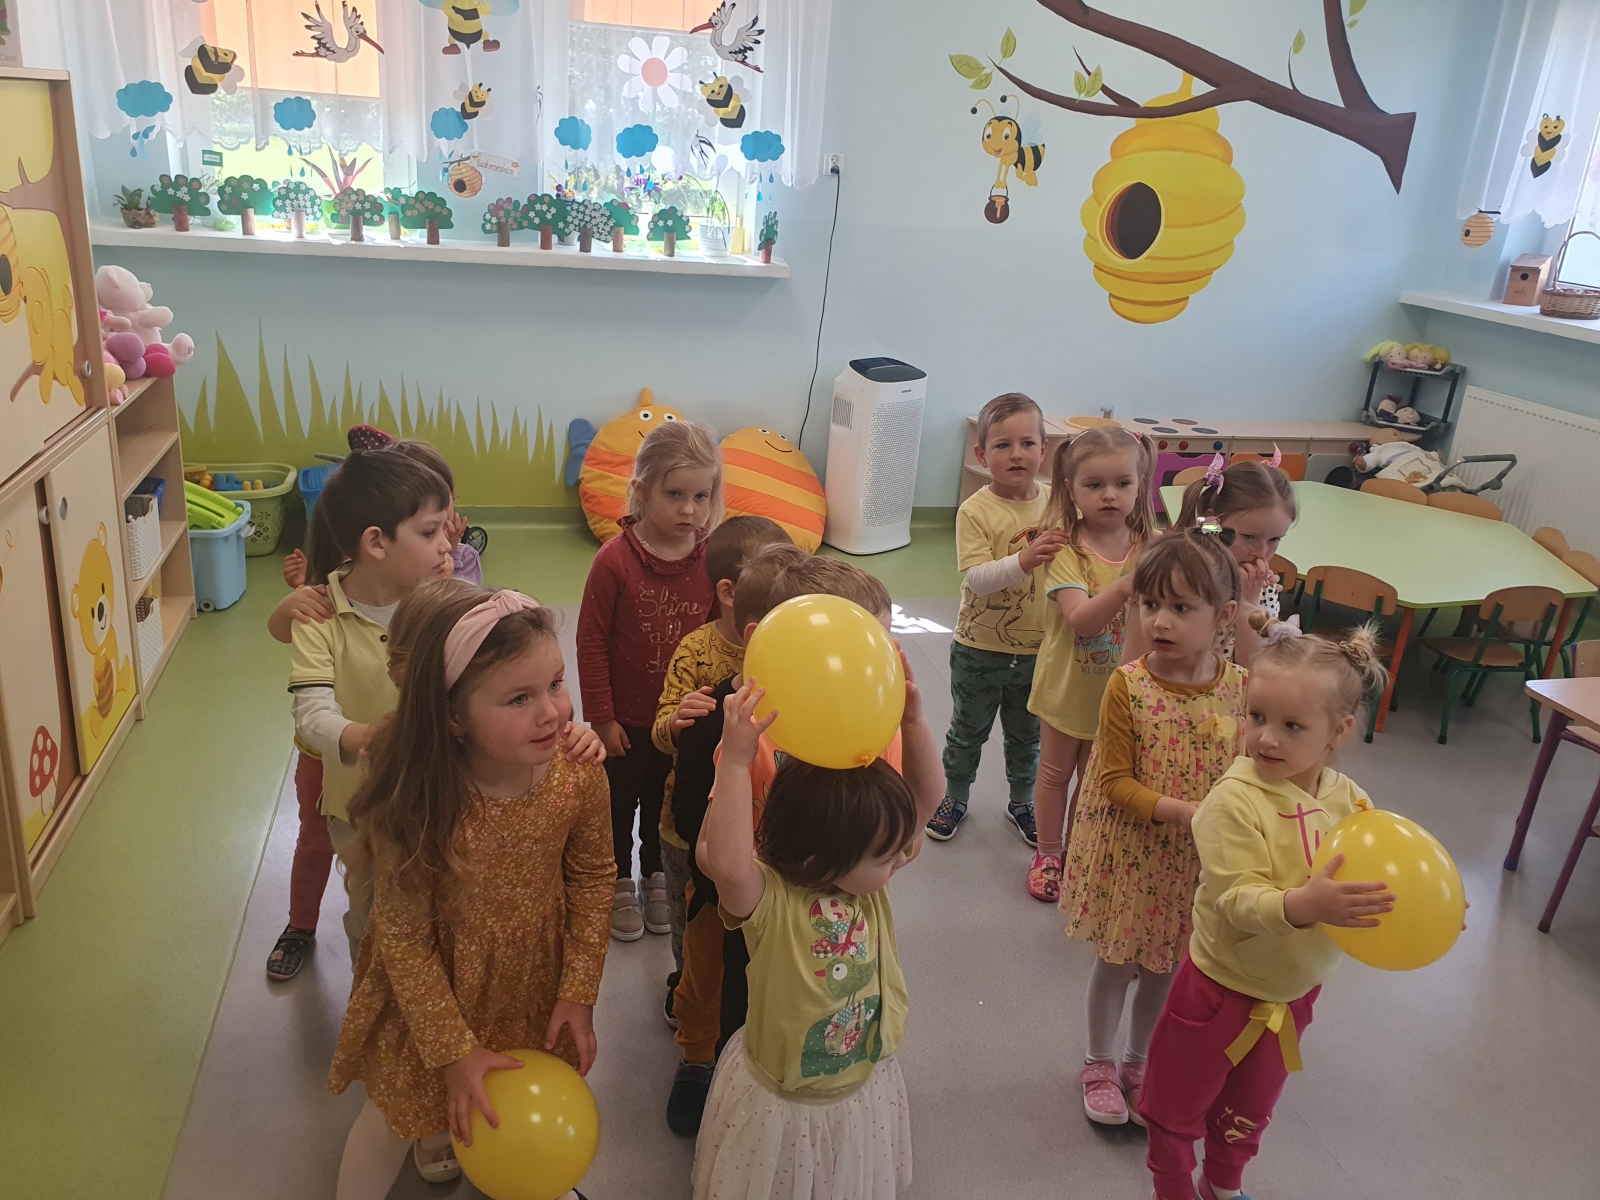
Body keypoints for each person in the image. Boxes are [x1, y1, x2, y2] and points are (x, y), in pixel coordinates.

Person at [328, 582, 610, 1200]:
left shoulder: (580, 777)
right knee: (392, 1123)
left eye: (556, 684)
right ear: (452, 717)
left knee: (520, 1104)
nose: (552, 713)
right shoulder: (423, 800)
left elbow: (593, 879)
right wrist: (453, 1052)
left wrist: (579, 989)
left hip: (533, 982)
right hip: (435, 993)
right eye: (519, 698)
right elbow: (404, 938)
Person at [1139, 613, 1401, 1200]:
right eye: (1257, 717)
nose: (1266, 739)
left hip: (1292, 993)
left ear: (1338, 731)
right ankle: (1173, 1189)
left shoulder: (1350, 800)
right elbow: (1236, 899)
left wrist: (1418, 905)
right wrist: (1303, 904)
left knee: (1250, 1109)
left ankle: (1223, 1185)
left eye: (1291, 725)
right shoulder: (1233, 802)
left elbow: (1383, 865)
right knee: (1176, 1105)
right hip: (1219, 992)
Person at [690, 639, 944, 1199]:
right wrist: (736, 760)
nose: (899, 860)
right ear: (818, 858)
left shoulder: (866, 883)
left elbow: (927, 800)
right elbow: (727, 865)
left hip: (863, 1084)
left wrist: (914, 721)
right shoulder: (771, 901)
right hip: (786, 1101)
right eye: (885, 856)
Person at [665, 545, 897, 1137]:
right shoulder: (729, 725)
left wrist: (915, 725)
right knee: (718, 990)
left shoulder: (864, 732)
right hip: (748, 905)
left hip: (829, 911)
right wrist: (737, 771)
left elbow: (906, 821)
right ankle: (698, 1058)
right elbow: (699, 836)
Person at [1063, 528, 1247, 1127]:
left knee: (1167, 968)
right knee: (1118, 964)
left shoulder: (1241, 690)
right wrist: (1183, 812)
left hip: (1194, 867)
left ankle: (1139, 1063)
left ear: (1224, 616)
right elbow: (1114, 781)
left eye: (1181, 608)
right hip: (1134, 855)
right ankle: (1098, 1063)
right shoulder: (1128, 686)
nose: (1160, 621)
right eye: (1149, 604)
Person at [282, 448, 455, 968]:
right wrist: (363, 738)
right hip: (359, 806)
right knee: (372, 916)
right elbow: (312, 713)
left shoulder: (442, 602)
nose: (447, 544)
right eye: (430, 532)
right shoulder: (318, 616)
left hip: (438, 793)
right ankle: (372, 1003)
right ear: (376, 542)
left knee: (440, 906)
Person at [577, 419, 721, 941]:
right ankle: (619, 876)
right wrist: (602, 717)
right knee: (619, 803)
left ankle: (655, 872)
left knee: (665, 801)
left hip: (679, 721)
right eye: (675, 494)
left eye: (701, 496)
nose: (690, 510)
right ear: (641, 490)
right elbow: (592, 642)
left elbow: (715, 635)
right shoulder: (614, 561)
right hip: (624, 721)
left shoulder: (710, 558)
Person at [651, 517, 793, 1026]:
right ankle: (685, 985)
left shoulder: (793, 668)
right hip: (686, 829)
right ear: (730, 593)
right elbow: (660, 731)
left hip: (758, 834)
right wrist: (679, 720)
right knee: (694, 928)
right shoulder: (696, 651)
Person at [928, 393, 1066, 844]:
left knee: (1027, 737)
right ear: (982, 454)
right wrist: (1025, 560)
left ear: (1044, 449)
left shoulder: (1059, 504)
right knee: (967, 732)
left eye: (1027, 443)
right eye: (1003, 445)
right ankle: (955, 796)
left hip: (1040, 650)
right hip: (979, 649)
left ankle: (1022, 802)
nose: (1016, 454)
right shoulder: (975, 511)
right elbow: (977, 579)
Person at [1025, 426, 1156, 902]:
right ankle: (1048, 854)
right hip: (1067, 689)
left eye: (1122, 483)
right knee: (1055, 774)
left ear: (1140, 485)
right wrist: (1124, 587)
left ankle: (1078, 850)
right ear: (1071, 488)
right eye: (1094, 485)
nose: (1109, 495)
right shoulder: (1065, 548)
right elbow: (1081, 620)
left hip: (1121, 696)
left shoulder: (1151, 548)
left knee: (1096, 779)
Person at [1175, 453, 1298, 666]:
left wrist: (1250, 602)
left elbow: (1254, 666)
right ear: (1212, 521)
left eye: (1274, 539)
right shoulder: (1182, 574)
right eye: (1249, 537)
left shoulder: (1261, 587)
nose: (1261, 553)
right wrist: (1247, 603)